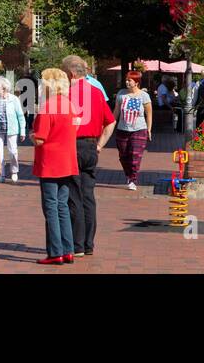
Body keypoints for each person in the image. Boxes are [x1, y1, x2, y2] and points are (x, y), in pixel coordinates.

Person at [62, 55, 115, 257]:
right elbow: (110, 122)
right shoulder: (96, 92)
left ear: (71, 74)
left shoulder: (66, 94)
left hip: (72, 146)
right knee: (88, 196)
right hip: (91, 146)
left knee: (73, 195)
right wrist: (100, 144)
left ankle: (78, 244)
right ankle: (88, 243)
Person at [32, 68, 78, 265]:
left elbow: (40, 139)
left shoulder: (47, 106)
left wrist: (32, 136)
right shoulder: (69, 105)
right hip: (67, 160)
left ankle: (55, 251)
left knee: (50, 206)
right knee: (62, 206)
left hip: (50, 162)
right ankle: (68, 249)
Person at [113, 71, 153, 191]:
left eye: (129, 80)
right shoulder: (121, 94)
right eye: (126, 80)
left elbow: (149, 114)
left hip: (139, 129)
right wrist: (110, 124)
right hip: (122, 129)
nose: (127, 82)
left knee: (135, 155)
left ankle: (133, 179)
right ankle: (128, 174)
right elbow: (116, 112)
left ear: (136, 82)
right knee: (123, 155)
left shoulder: (144, 96)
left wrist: (149, 129)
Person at [0, 78, 26, 183]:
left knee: (13, 152)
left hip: (12, 129)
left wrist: (22, 131)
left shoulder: (14, 99)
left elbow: (20, 115)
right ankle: (1, 174)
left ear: (5, 88)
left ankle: (14, 171)